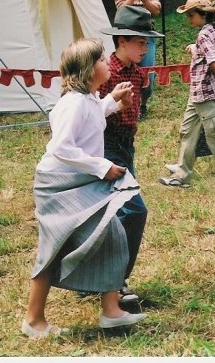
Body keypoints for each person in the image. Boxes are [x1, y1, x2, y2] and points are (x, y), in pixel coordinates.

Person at [22, 39, 146, 339]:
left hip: (80, 180)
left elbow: (94, 114)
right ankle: (33, 320)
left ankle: (111, 310)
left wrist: (113, 102)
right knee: (55, 248)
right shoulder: (73, 103)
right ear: (88, 70)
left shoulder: (89, 98)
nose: (107, 62)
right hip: (59, 184)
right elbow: (61, 147)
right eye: (102, 59)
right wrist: (102, 167)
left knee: (112, 235)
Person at [98, 6, 164, 303]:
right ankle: (116, 279)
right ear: (121, 40)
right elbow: (89, 113)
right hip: (106, 146)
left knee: (111, 214)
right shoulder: (105, 73)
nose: (145, 47)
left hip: (126, 145)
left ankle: (102, 277)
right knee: (133, 210)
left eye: (147, 42)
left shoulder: (137, 74)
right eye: (140, 42)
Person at [159, 0, 215, 188]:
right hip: (196, 93)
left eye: (191, 15)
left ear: (203, 15)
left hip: (205, 92)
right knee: (187, 131)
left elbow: (214, 57)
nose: (189, 19)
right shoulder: (211, 31)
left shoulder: (204, 35)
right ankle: (182, 174)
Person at [114, 0, 162, 119]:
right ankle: (128, 105)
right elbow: (121, 11)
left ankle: (143, 104)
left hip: (147, 35)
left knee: (147, 72)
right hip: (127, 37)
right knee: (126, 72)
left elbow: (156, 11)